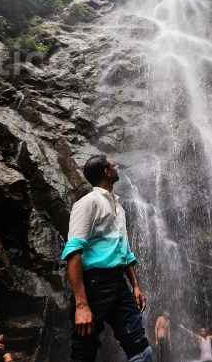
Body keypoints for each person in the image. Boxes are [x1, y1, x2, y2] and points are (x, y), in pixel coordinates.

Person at [60, 154, 152, 362]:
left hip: (119, 283)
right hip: (93, 285)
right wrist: (81, 305)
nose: (116, 166)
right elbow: (74, 252)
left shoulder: (119, 208)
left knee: (139, 345)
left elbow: (125, 251)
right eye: (112, 164)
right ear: (106, 172)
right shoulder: (88, 203)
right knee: (84, 350)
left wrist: (135, 285)